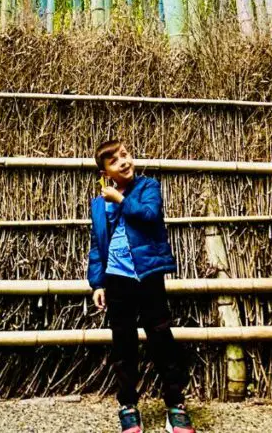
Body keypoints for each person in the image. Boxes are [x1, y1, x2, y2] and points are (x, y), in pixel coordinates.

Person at [87, 139, 196, 433]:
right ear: (105, 172)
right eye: (114, 160)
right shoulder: (98, 204)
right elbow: (97, 246)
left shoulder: (148, 187)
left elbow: (150, 216)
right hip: (117, 279)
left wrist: (121, 201)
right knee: (123, 344)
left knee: (161, 338)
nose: (123, 162)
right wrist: (97, 283)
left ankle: (175, 404)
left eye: (125, 155)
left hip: (148, 275)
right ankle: (128, 405)